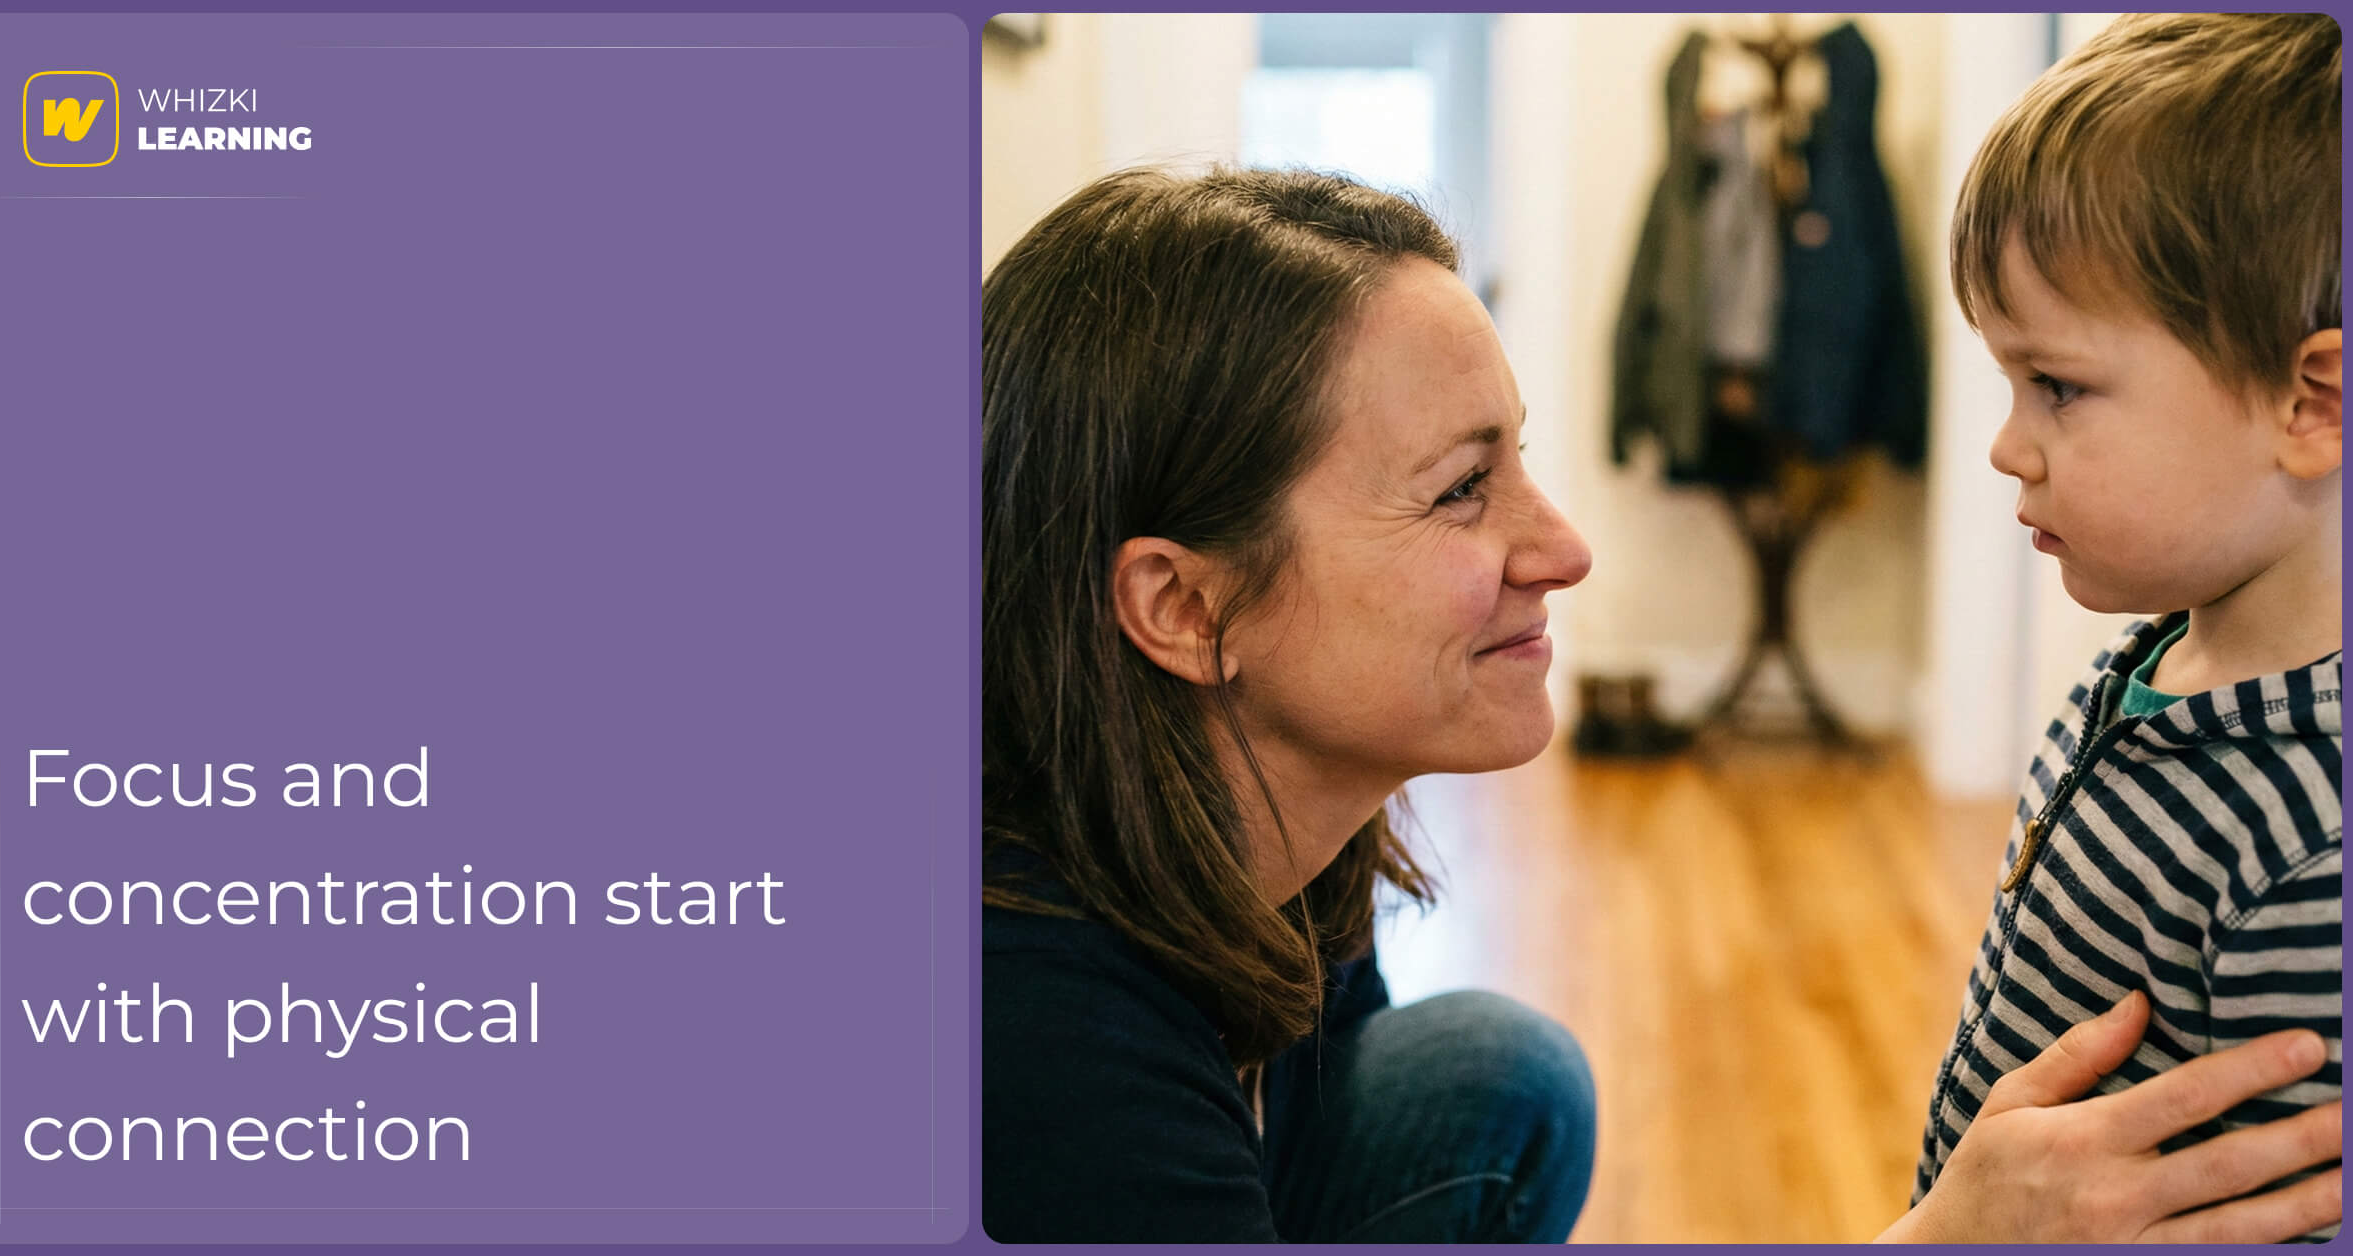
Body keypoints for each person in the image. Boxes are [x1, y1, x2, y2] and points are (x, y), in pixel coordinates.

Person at [982, 166, 2342, 1244]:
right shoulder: (1038, 1065)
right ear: (1183, 607)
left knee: (1491, 1078)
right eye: (1463, 488)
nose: (1564, 545)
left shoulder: (1268, 843)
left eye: (1521, 460)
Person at [1898, 12, 2344, 1243]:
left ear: (2311, 401)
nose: (2005, 443)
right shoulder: (2154, 667)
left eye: (2059, 386)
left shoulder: (2312, 851)